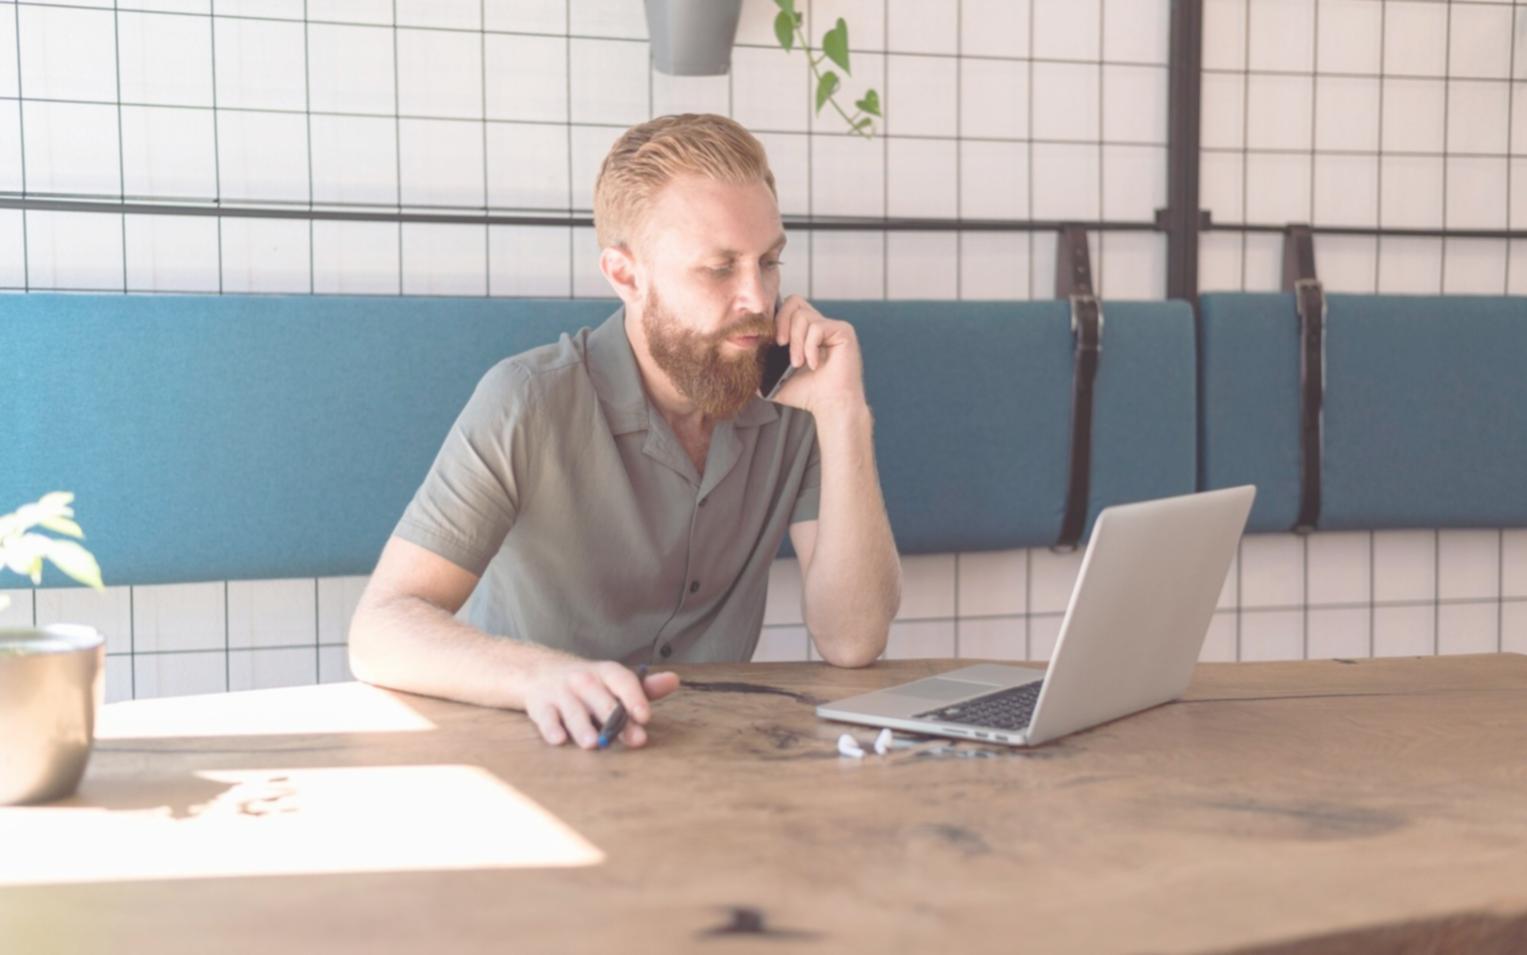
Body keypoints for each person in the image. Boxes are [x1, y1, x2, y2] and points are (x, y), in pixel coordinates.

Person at [349, 113, 901, 749]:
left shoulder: (797, 403)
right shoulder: (526, 401)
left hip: (719, 758)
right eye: (720, 268)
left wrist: (845, 414)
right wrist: (542, 676)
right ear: (626, 275)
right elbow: (382, 626)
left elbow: (853, 640)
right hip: (536, 746)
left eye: (768, 261)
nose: (758, 298)